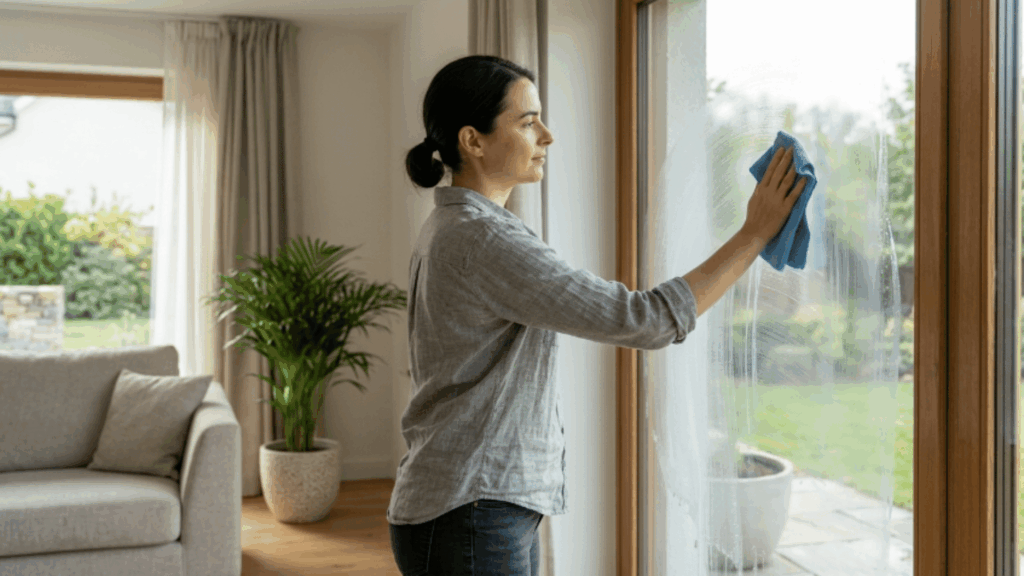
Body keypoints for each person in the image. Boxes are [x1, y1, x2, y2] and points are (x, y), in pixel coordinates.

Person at [388, 54, 806, 576]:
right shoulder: (483, 237)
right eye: (527, 121)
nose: (547, 135)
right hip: (471, 512)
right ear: (472, 141)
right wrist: (754, 233)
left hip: (466, 505)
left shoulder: (451, 225)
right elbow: (647, 319)